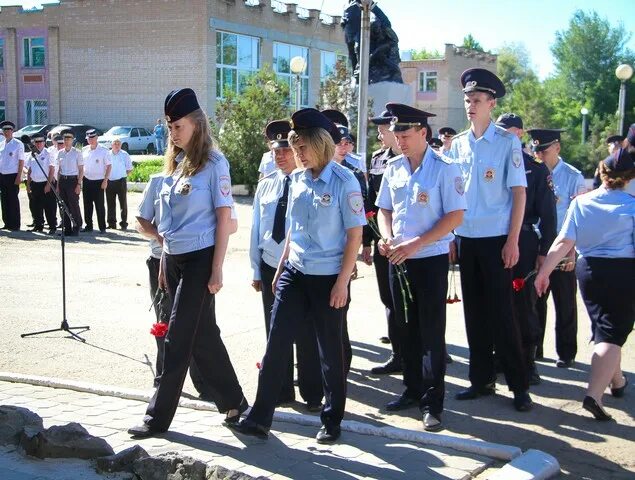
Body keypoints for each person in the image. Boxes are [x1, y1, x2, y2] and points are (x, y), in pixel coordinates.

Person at [229, 108, 365, 444]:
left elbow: (354, 236)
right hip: (295, 272)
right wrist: (282, 267)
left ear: (319, 145)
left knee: (329, 352)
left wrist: (342, 282)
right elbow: (293, 227)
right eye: (294, 146)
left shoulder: (345, 181)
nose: (296, 153)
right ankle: (260, 417)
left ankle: (331, 421)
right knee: (275, 344)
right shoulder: (299, 179)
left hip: (327, 277)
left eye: (301, 147)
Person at [128, 88, 247, 438]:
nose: (173, 133)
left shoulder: (214, 164)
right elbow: (166, 226)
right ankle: (235, 402)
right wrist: (165, 255)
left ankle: (156, 419)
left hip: (201, 259)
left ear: (196, 124)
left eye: (178, 126)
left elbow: (225, 217)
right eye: (169, 127)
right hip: (175, 259)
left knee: (178, 337)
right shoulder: (177, 165)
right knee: (204, 336)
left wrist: (217, 267)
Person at [376, 103, 466, 432]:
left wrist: (417, 243)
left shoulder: (445, 167)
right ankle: (412, 390)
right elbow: (384, 209)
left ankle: (432, 402)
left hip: (429, 259)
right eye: (396, 134)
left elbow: (455, 217)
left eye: (405, 134)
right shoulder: (394, 167)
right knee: (404, 328)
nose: (399, 139)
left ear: (423, 133)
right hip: (398, 259)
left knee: (430, 331)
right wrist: (387, 238)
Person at [447, 68, 532, 412]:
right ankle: (480, 380)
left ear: (491, 104)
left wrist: (513, 241)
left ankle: (519, 386)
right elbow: (453, 195)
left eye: (477, 100)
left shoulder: (507, 142)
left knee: (503, 314)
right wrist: (451, 235)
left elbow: (519, 194)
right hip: (467, 238)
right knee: (474, 314)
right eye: (467, 100)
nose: (470, 105)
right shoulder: (458, 145)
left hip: (497, 240)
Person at [535, 136, 635, 421]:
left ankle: (617, 381)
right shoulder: (632, 205)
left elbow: (563, 241)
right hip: (623, 272)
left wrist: (544, 272)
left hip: (588, 271)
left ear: (602, 173)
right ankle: (593, 395)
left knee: (605, 328)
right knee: (613, 332)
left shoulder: (581, 204)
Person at [249, 119, 323, 411]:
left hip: (301, 266)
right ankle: (281, 391)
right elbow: (257, 229)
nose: (279, 156)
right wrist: (256, 270)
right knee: (274, 330)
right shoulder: (267, 185)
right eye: (274, 151)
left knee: (306, 332)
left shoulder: (310, 183)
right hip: (270, 265)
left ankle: (312, 393)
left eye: (285, 150)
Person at [495, 114, 557, 385]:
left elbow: (549, 216)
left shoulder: (535, 167)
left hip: (524, 241)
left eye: (506, 132)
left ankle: (527, 363)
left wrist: (544, 253)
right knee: (495, 302)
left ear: (518, 134)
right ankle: (500, 358)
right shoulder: (491, 161)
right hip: (493, 239)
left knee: (524, 304)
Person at [527, 128, 586, 367]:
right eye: (535, 149)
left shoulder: (573, 176)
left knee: (565, 303)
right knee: (535, 302)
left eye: (544, 149)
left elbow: (580, 218)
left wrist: (572, 251)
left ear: (557, 148)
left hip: (563, 249)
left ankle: (566, 353)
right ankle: (536, 350)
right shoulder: (531, 173)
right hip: (537, 245)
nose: (539, 153)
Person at [366, 110, 402, 373]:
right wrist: (368, 242)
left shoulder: (413, 158)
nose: (379, 133)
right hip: (383, 240)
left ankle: (423, 351)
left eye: (383, 128)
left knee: (412, 301)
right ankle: (398, 354)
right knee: (389, 298)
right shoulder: (378, 159)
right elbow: (371, 203)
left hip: (410, 239)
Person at [26, 134, 57, 234]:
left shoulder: (49, 153)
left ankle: (52, 226)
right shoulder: (32, 154)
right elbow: (30, 170)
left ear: (44, 143)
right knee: (36, 206)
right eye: (36, 142)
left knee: (49, 207)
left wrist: (48, 184)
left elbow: (52, 169)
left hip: (46, 183)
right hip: (35, 184)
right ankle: (38, 225)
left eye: (40, 142)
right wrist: (28, 184)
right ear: (34, 143)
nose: (38, 144)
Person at [81, 129, 111, 233]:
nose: (91, 140)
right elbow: (81, 166)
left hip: (99, 181)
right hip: (87, 180)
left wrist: (105, 180)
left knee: (99, 205)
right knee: (87, 205)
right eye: (89, 138)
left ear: (97, 137)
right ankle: (88, 226)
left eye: (92, 138)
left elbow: (109, 166)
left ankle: (102, 227)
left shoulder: (104, 150)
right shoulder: (84, 150)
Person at [56, 130, 83, 236]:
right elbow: (59, 170)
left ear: (72, 140)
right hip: (63, 180)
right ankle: (66, 229)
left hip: (73, 181)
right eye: (65, 139)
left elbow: (81, 170)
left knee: (73, 205)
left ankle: (76, 227)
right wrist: (58, 185)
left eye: (69, 139)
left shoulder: (77, 153)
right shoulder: (60, 153)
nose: (66, 141)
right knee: (63, 205)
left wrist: (79, 184)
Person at [0, 121, 26, 230]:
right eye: (4, 130)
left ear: (13, 131)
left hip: (13, 175)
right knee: (4, 200)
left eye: (8, 130)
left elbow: (21, 161)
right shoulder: (1, 144)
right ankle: (7, 223)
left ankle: (15, 224)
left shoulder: (18, 144)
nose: (6, 132)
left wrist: (19, 176)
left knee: (13, 200)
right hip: (2, 175)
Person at [106, 138, 133, 230]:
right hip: (109, 181)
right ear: (111, 145)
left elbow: (129, 169)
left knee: (123, 203)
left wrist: (123, 175)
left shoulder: (125, 154)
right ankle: (111, 223)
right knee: (110, 203)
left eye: (118, 144)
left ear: (120, 145)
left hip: (121, 181)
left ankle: (124, 223)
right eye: (115, 143)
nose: (117, 145)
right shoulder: (107, 154)